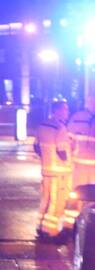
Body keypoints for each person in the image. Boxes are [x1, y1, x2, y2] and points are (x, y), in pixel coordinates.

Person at [35, 100, 72, 241]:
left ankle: (40, 227)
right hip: (60, 172)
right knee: (56, 202)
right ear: (58, 111)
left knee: (46, 199)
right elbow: (62, 151)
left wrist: (46, 159)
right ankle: (51, 232)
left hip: (46, 170)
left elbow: (36, 147)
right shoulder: (60, 128)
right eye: (65, 110)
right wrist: (70, 164)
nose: (67, 113)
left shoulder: (42, 125)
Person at [65, 95, 95, 228]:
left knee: (80, 196)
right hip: (79, 165)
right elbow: (67, 141)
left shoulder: (76, 117)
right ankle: (69, 225)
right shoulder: (77, 117)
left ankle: (84, 226)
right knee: (76, 196)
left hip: (83, 165)